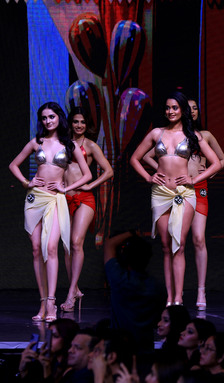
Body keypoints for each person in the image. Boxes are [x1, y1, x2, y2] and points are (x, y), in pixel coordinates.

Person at [130, 91, 221, 306]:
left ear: (183, 111)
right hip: (160, 193)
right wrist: (149, 177)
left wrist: (195, 178)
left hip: (183, 193)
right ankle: (169, 298)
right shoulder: (156, 133)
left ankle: (178, 299)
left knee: (178, 245)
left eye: (175, 108)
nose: (170, 111)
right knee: (164, 245)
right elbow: (135, 158)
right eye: (168, 108)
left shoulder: (193, 136)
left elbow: (216, 162)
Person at [9, 102, 91, 322]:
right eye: (44, 118)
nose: (48, 121)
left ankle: (52, 303)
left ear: (59, 118)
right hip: (35, 199)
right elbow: (13, 165)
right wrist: (27, 182)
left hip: (55, 199)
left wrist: (66, 188)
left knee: (51, 247)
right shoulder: (37, 142)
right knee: (37, 250)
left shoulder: (69, 145)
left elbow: (87, 175)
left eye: (51, 117)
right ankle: (43, 304)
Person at [61, 106, 114, 312]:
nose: (79, 125)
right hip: (64, 197)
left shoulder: (90, 145)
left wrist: (90, 186)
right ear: (70, 123)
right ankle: (75, 288)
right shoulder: (62, 143)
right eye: (76, 121)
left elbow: (109, 170)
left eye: (83, 122)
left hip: (84, 199)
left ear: (87, 124)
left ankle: (71, 294)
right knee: (67, 245)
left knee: (76, 242)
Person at [103, 230, 166, 355]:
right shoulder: (157, 287)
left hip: (120, 349)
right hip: (146, 348)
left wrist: (131, 233)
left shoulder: (119, 280)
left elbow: (109, 245)